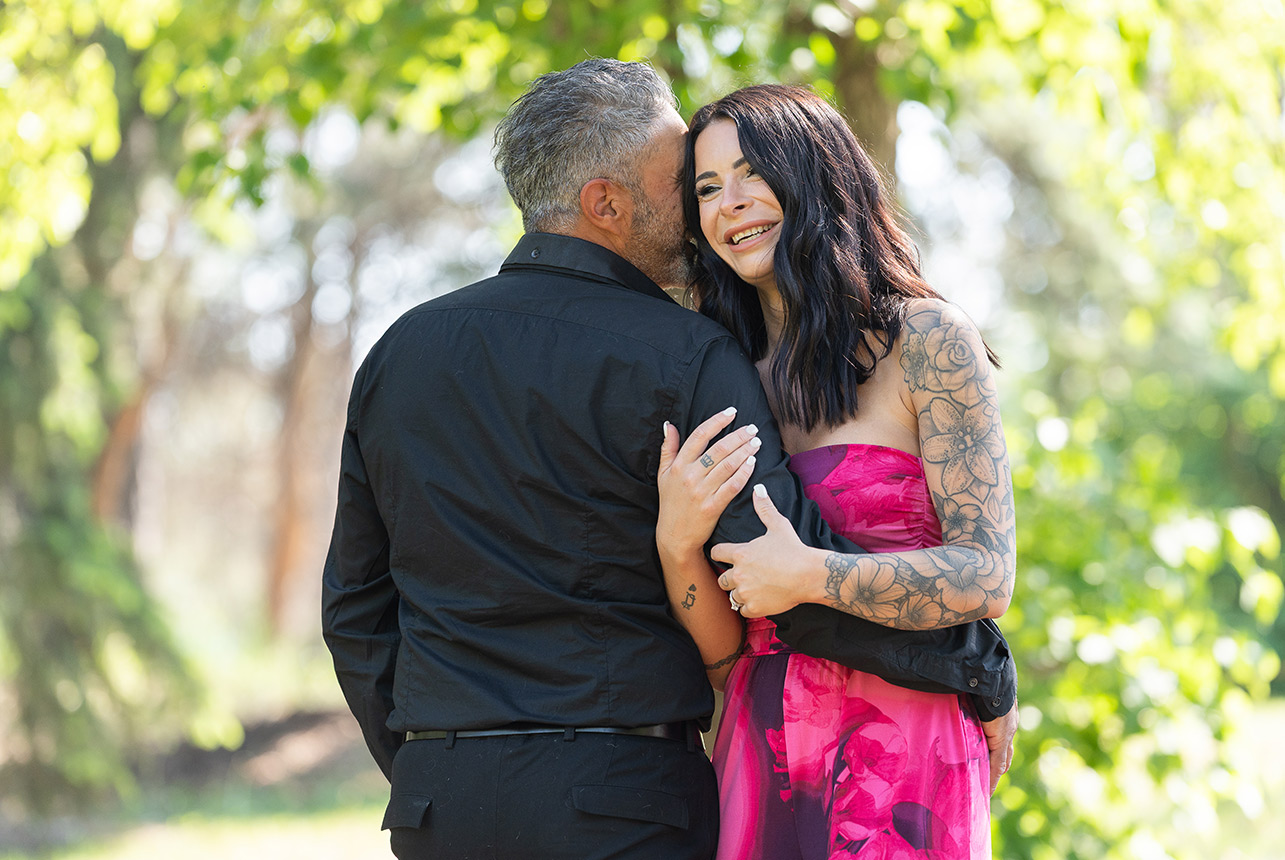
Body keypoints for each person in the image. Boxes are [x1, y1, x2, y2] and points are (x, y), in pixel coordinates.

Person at [322, 59, 1015, 860]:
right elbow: (776, 596)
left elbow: (354, 610)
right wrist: (980, 671)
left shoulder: (398, 351)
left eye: (743, 175)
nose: (707, 208)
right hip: (634, 796)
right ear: (606, 203)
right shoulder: (689, 356)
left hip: (444, 805)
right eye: (693, 183)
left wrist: (427, 769)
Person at [655, 84, 1017, 859]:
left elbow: (986, 574)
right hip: (767, 745)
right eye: (707, 188)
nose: (730, 203)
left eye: (753, 172)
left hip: (907, 746)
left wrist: (811, 575)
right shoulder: (713, 375)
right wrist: (675, 545)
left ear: (815, 173)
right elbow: (725, 655)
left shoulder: (926, 341)